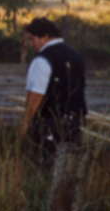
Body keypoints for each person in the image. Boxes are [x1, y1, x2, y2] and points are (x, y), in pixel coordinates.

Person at [19, 17, 87, 162]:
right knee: (71, 168)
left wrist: (24, 123)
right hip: (75, 122)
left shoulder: (41, 60)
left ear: (45, 37)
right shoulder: (75, 55)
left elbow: (35, 96)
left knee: (48, 166)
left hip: (50, 125)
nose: (31, 44)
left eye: (32, 39)